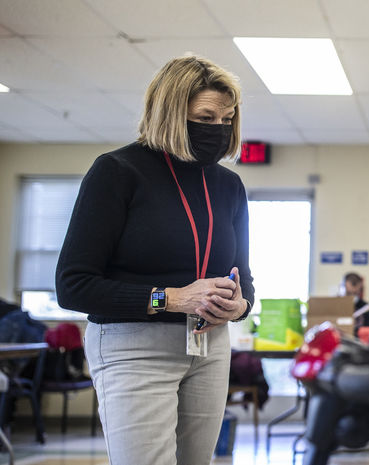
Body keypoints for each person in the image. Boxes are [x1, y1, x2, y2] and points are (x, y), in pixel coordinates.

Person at [55, 55, 255, 465]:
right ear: (170, 111)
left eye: (227, 119)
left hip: (209, 346)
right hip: (134, 347)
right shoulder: (117, 171)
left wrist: (239, 306)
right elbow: (73, 285)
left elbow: (244, 279)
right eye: (206, 117)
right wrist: (173, 299)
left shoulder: (229, 186)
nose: (218, 129)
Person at [342, 271, 369, 336]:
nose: (352, 297)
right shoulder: (335, 308)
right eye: (349, 293)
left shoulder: (368, 309)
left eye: (355, 293)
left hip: (360, 344)